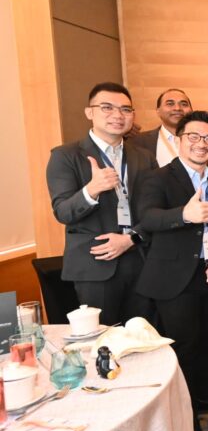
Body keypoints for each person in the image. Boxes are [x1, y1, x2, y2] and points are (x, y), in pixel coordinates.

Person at [136, 110, 208, 431]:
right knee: (183, 347)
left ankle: (206, 395)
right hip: (175, 278)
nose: (201, 143)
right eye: (194, 137)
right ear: (180, 140)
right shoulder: (158, 178)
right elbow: (147, 218)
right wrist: (183, 214)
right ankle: (185, 416)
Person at [45, 82, 156, 326]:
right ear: (89, 112)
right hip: (95, 265)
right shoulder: (65, 156)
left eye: (125, 109)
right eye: (107, 107)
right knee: (102, 339)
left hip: (139, 258)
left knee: (141, 335)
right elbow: (63, 212)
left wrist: (131, 238)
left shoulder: (144, 157)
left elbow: (155, 210)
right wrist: (92, 189)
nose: (118, 115)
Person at [133, 88, 192, 167]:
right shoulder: (139, 141)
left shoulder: (205, 140)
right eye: (170, 104)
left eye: (184, 104)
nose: (177, 108)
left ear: (191, 110)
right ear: (158, 111)